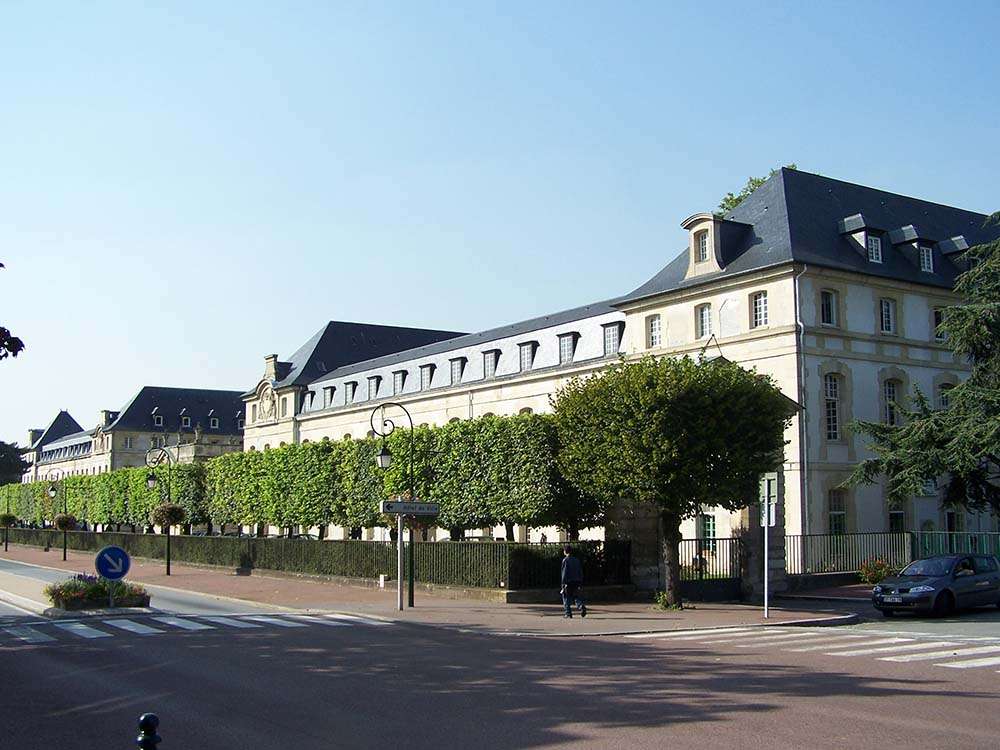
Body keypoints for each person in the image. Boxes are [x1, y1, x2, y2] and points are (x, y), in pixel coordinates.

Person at [560, 545, 587, 618]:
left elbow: (564, 572)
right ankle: (581, 606)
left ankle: (568, 613)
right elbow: (580, 571)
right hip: (577, 580)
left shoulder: (565, 560)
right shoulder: (576, 560)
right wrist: (580, 581)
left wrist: (563, 583)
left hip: (568, 581)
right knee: (576, 596)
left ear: (565, 551)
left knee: (566, 597)